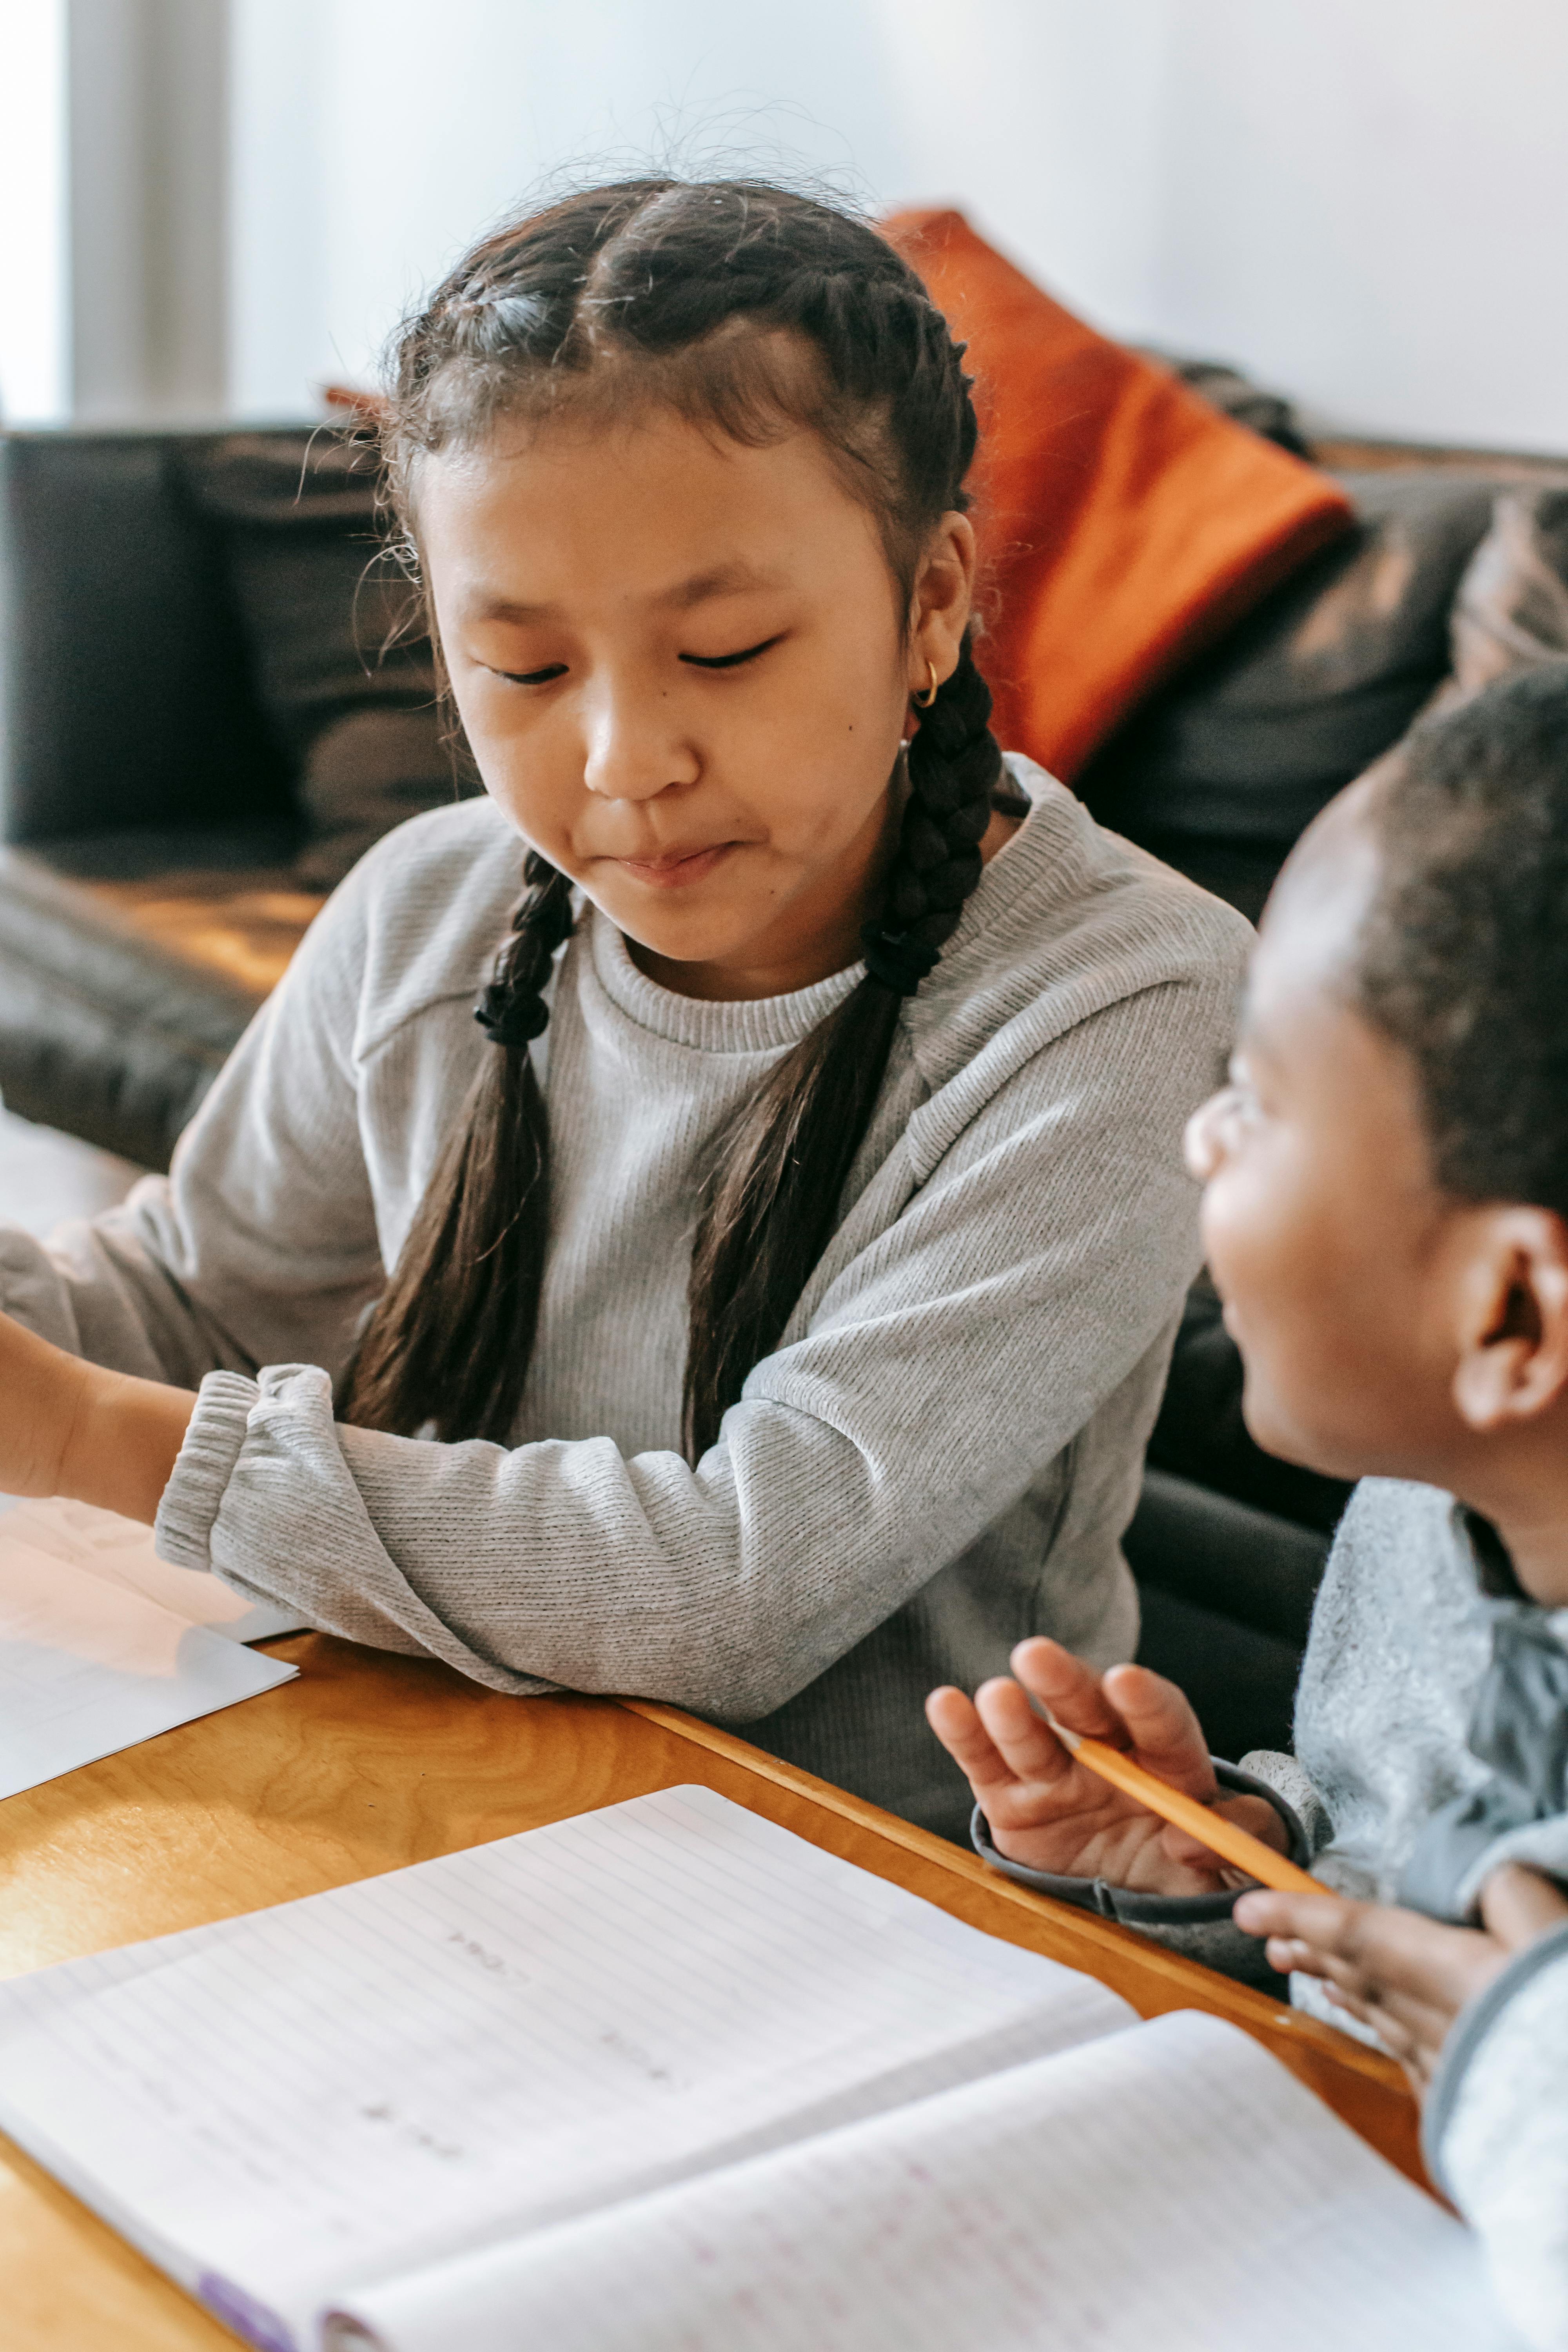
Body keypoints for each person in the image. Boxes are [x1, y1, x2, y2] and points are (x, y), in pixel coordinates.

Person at [0, 179, 1247, 1841]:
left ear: (931, 602)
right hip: (450, 1760)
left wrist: (89, 1434)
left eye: (723, 650)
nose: (620, 768)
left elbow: (740, 1582)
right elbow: (201, 1295)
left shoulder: (1120, 996)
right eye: (518, 670)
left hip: (874, 1885)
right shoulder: (435, 902)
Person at [928, 664, 1568, 2346]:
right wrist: (1234, 1857)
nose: (1204, 1142)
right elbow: (1407, 1882)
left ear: (1511, 1318)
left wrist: (1523, 2049)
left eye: (1263, 1100)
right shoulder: (1433, 1510)